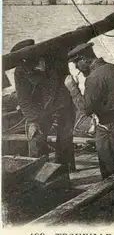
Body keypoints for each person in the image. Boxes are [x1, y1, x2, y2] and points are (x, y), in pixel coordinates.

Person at [64, 42, 114, 179]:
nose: (77, 69)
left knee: (110, 176)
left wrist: (73, 88)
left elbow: (86, 109)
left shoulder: (94, 78)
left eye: (76, 64)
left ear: (84, 59)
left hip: (109, 131)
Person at [12, 39, 76, 172]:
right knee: (36, 139)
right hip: (40, 109)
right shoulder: (20, 71)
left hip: (62, 103)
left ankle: (63, 172)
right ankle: (38, 173)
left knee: (64, 140)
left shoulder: (55, 58)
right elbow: (23, 99)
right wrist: (34, 121)